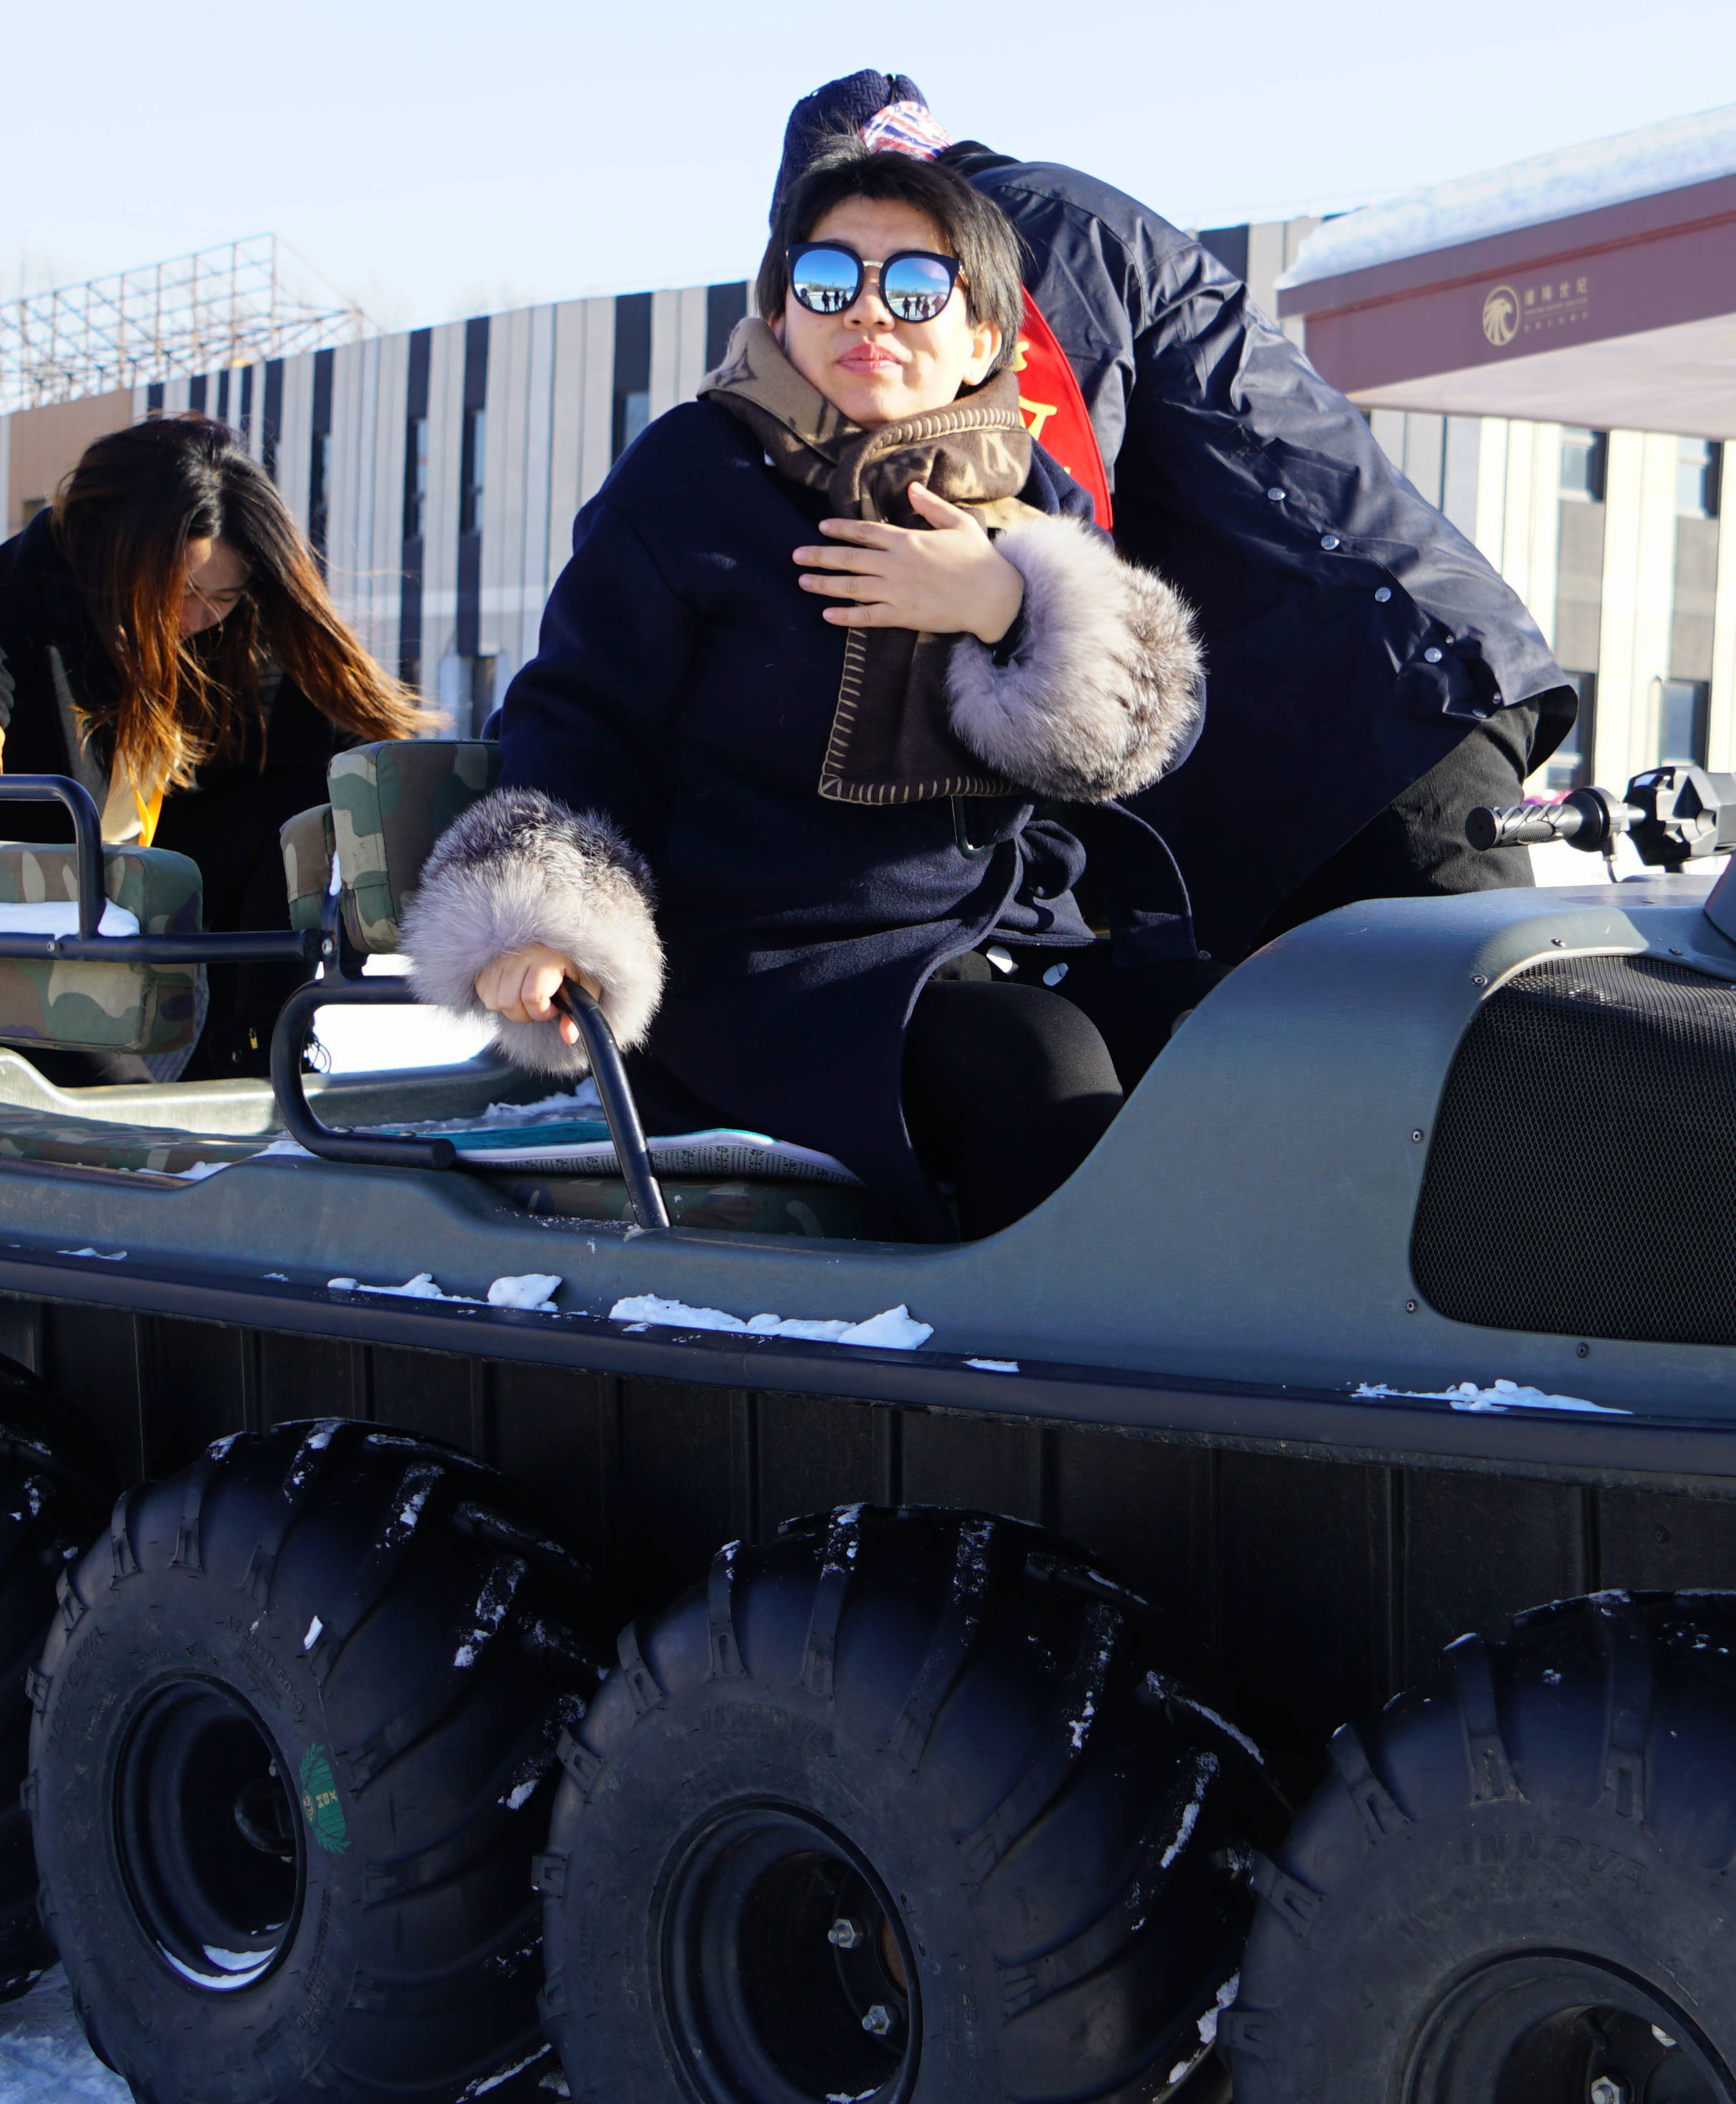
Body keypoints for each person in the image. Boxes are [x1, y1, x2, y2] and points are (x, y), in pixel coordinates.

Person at [401, 149, 1204, 1241]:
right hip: (775, 967)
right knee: (1035, 1065)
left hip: (1003, 933)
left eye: (917, 286)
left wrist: (1003, 605)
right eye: (832, 278)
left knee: (1211, 1040)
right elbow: (579, 712)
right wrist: (540, 920)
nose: (870, 310)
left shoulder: (1030, 493)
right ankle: (1039, 1396)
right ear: (782, 310)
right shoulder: (694, 472)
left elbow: (1152, 730)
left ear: (983, 340)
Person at [773, 73, 1572, 966]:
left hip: (1366, 708)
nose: (857, 314)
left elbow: (1020, 498)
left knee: (1498, 1068)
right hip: (1328, 717)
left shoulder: (1019, 233)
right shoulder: (1052, 215)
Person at [0, 411, 421, 1073]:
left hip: (176, 878)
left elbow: (349, 734)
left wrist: (427, 814)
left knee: (316, 800)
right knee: (109, 1088)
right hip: (48, 891)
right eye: (181, 589)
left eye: (221, 597)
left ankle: (259, 1040)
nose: (195, 618)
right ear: (125, 551)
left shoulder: (235, 626)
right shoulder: (38, 576)